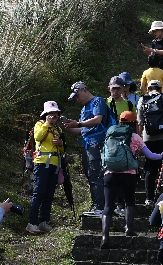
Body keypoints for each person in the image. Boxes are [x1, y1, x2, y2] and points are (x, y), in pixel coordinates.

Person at [101, 110, 163, 247]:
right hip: (128, 174)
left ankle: (104, 237)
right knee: (129, 201)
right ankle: (129, 229)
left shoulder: (109, 134)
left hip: (109, 174)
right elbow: (150, 156)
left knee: (108, 206)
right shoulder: (135, 137)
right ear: (133, 123)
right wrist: (162, 155)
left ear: (120, 121)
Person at [64, 81, 111, 216]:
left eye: (78, 95)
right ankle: (97, 204)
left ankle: (100, 207)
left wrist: (78, 123)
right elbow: (82, 130)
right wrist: (70, 127)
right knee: (90, 174)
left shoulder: (98, 101)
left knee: (96, 174)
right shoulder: (84, 108)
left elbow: (97, 120)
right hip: (87, 144)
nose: (77, 99)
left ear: (84, 90)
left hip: (97, 143)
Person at [26, 100, 65, 235]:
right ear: (46, 114)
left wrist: (60, 143)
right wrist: (47, 124)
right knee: (39, 193)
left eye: (56, 113)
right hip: (42, 163)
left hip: (55, 165)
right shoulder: (40, 124)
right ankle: (32, 222)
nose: (54, 115)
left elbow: (63, 148)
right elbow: (38, 137)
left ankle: (44, 221)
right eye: (51, 113)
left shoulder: (58, 129)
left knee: (49, 195)